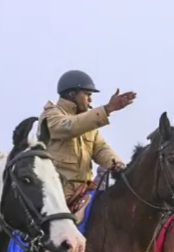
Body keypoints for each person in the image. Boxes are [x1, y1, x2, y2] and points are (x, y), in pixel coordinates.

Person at [40, 70, 133, 212]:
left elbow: (101, 148)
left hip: (84, 192)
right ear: (72, 94)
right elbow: (70, 127)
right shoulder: (51, 115)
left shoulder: (87, 123)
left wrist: (117, 164)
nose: (90, 100)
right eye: (87, 94)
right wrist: (107, 109)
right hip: (56, 194)